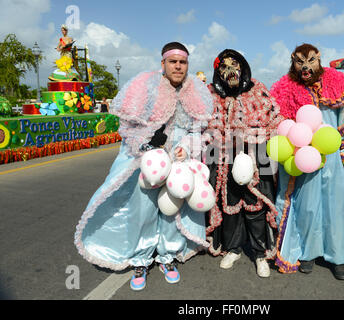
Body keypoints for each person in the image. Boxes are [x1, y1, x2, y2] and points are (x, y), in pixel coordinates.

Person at [74, 42, 214, 291]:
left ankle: (167, 255)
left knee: (172, 207)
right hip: (146, 161)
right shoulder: (144, 85)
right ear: (163, 63)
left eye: (182, 62)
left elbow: (198, 130)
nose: (178, 66)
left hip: (178, 162)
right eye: (173, 61)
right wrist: (147, 145)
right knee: (144, 209)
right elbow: (127, 127)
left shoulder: (196, 89)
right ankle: (141, 258)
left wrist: (187, 147)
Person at [270, 43, 344, 280]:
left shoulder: (336, 84)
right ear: (293, 62)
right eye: (300, 61)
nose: (305, 66)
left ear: (319, 59)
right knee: (307, 206)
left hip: (331, 156)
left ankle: (338, 256)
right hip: (304, 158)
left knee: (334, 206)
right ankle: (308, 252)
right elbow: (281, 124)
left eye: (310, 60)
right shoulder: (286, 89)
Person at [205, 49, 283, 278]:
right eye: (224, 67)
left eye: (235, 65)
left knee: (254, 205)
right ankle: (233, 248)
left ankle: (260, 254)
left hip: (255, 159)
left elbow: (273, 120)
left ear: (243, 67)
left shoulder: (258, 90)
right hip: (223, 158)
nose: (230, 71)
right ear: (218, 72)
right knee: (229, 206)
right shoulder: (211, 95)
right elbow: (204, 125)